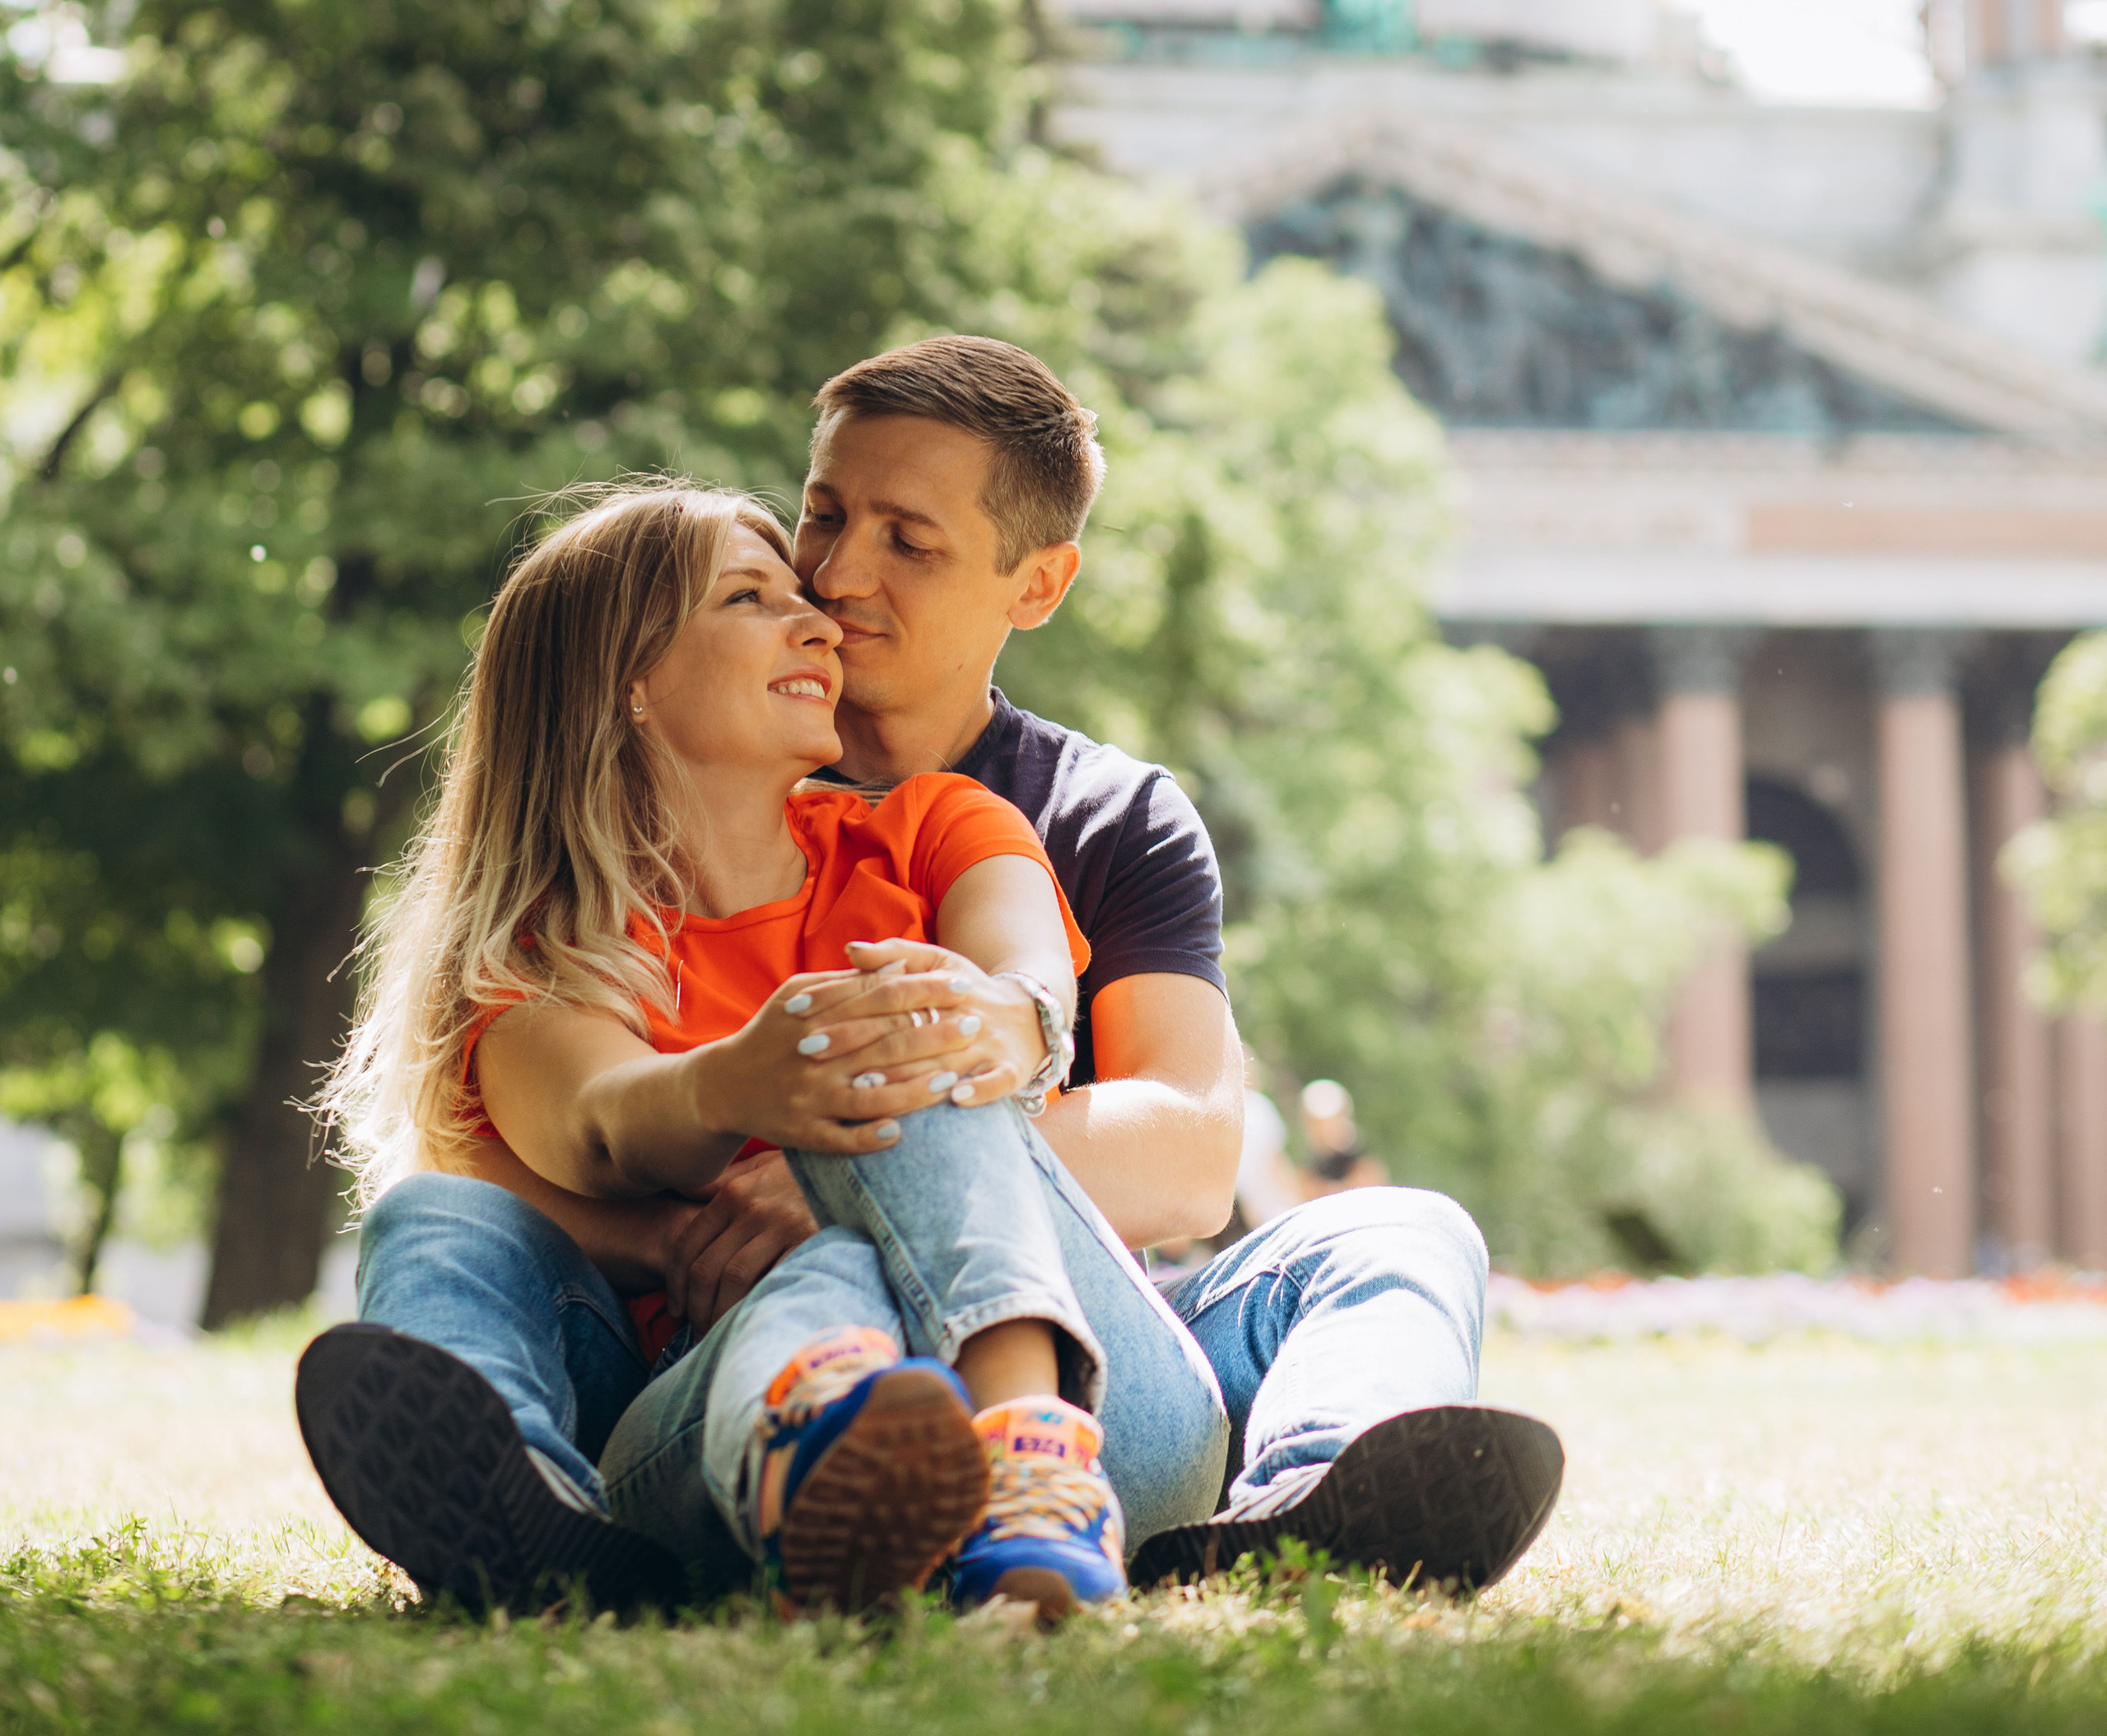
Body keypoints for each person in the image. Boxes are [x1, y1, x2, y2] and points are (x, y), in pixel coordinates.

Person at [463, 337, 1563, 1594]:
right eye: (823, 514)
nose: (831, 574)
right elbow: (523, 1125)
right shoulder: (698, 764)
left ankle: (1307, 1503)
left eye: (908, 542)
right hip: (731, 1340)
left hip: (1068, 1330)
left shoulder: (1101, 815)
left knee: (1404, 1232)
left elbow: (1192, 1151)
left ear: (1035, 587)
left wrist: (847, 1163)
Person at [298, 482, 1226, 1618]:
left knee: (895, 1037)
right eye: (751, 596)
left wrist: (1008, 1019)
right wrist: (746, 1083)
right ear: (626, 682)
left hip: (1106, 1405)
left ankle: (1020, 1473)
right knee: (435, 1216)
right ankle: (530, 1513)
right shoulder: (547, 949)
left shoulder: (940, 825)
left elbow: (1020, 969)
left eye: (801, 597)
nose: (821, 622)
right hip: (705, 1407)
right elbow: (598, 1122)